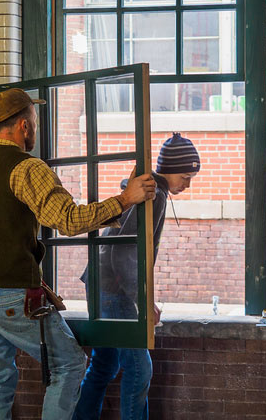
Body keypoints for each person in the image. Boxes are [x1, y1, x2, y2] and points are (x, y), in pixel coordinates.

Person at [0, 88, 157, 419]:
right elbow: (69, 220)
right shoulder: (27, 168)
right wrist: (125, 200)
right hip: (9, 295)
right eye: (34, 121)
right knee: (70, 365)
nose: (36, 129)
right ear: (24, 127)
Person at [73, 133, 201, 420]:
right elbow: (123, 253)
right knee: (139, 367)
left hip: (99, 282)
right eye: (186, 176)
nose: (188, 184)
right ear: (168, 168)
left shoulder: (154, 191)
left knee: (104, 364)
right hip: (111, 287)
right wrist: (144, 301)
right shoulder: (153, 195)